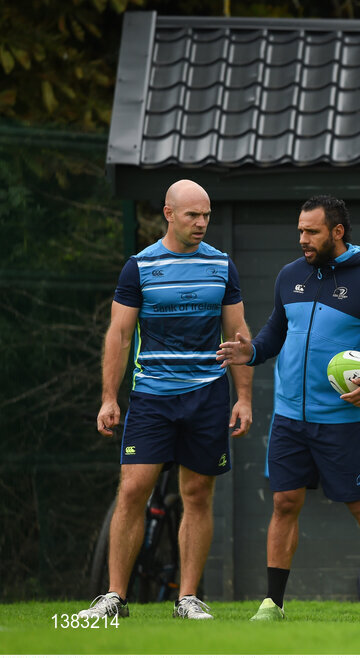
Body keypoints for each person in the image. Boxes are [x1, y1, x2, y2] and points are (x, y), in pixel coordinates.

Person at [216, 195, 360, 622]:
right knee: (284, 502)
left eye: (312, 231)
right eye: (300, 230)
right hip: (289, 418)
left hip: (341, 421)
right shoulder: (290, 276)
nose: (303, 239)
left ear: (337, 232)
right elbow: (274, 333)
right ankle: (274, 604)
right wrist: (250, 352)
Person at [78, 180, 253, 620]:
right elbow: (118, 335)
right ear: (168, 214)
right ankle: (114, 597)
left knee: (196, 493)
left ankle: (187, 598)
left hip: (207, 396)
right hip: (152, 398)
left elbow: (238, 337)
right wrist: (108, 398)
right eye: (193, 215)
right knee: (133, 488)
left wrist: (244, 397)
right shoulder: (139, 266)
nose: (201, 223)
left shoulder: (222, 265)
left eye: (207, 215)